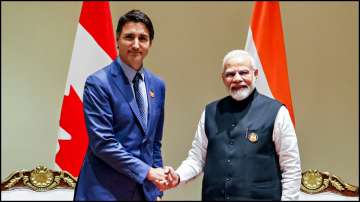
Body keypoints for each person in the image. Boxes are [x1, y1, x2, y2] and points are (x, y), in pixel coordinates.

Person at [163, 50, 302, 200]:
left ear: (255, 74)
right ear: (223, 78)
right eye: (230, 74)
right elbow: (197, 159)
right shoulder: (210, 112)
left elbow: (291, 168)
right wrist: (177, 176)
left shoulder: (277, 112)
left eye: (243, 72)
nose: (237, 78)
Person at [74, 9, 167, 201]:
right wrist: (147, 172)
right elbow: (103, 143)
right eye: (129, 37)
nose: (135, 44)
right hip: (103, 192)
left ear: (150, 44)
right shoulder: (98, 82)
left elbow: (154, 143)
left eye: (142, 38)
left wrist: (157, 189)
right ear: (117, 40)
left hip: (143, 193)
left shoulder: (158, 85)